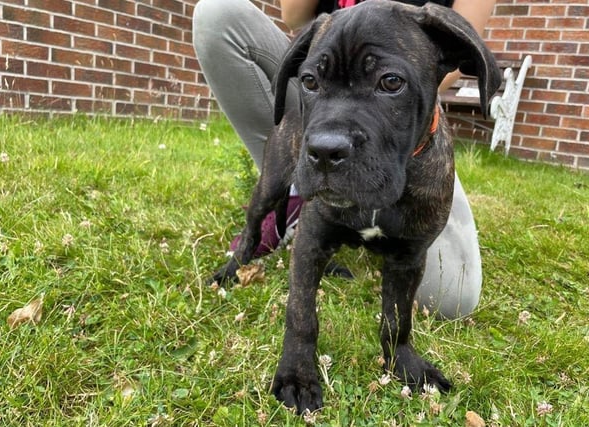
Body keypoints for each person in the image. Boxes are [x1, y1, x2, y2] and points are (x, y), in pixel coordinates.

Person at [192, 0, 496, 319]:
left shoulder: (428, 31)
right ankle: (295, 198)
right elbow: (292, 15)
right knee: (218, 11)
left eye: (389, 82)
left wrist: (403, 62)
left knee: (452, 300)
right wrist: (315, 79)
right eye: (308, 81)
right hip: (326, 68)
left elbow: (454, 50)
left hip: (412, 126)